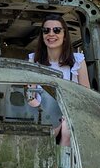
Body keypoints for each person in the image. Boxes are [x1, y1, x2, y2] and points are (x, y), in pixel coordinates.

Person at [28, 14, 90, 147]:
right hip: (42, 114)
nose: (51, 34)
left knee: (68, 130)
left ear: (64, 35)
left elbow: (86, 96)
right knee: (50, 131)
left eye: (56, 30)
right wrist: (45, 113)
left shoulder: (77, 61)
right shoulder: (34, 60)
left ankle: (63, 163)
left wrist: (68, 115)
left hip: (70, 113)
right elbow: (29, 96)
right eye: (46, 31)